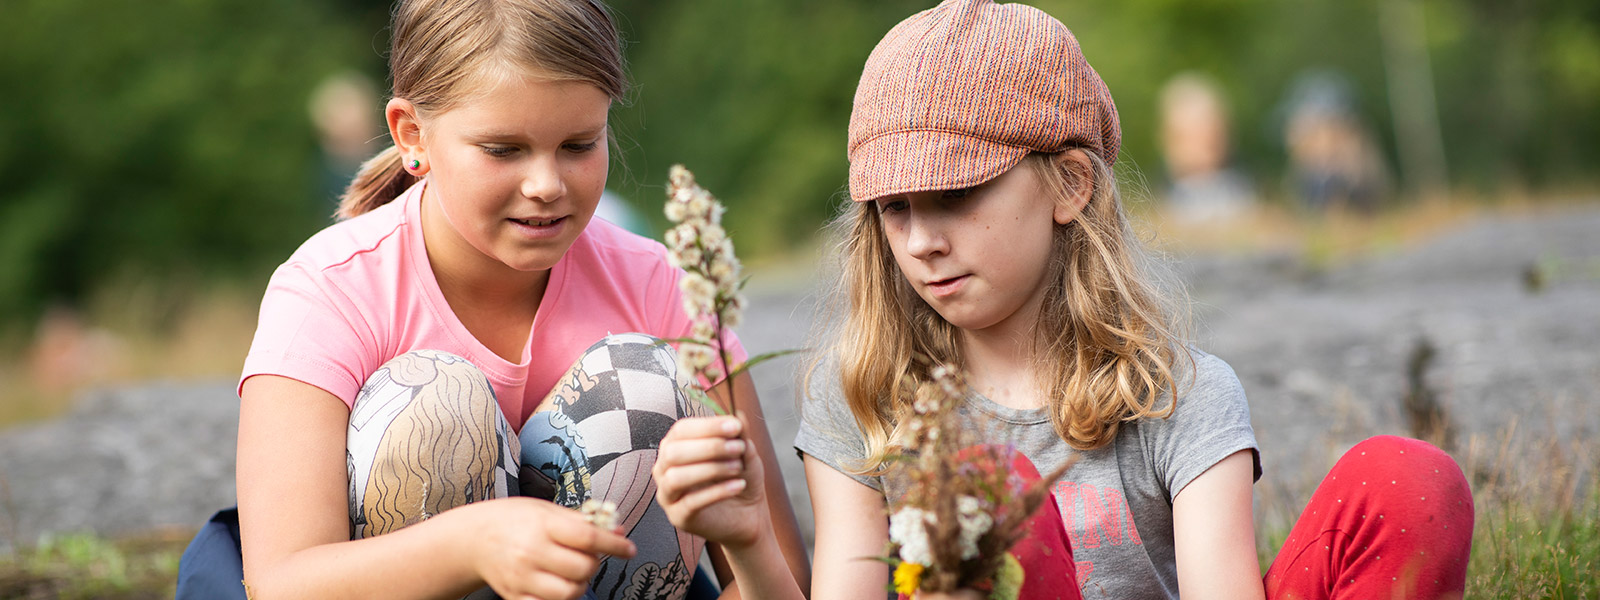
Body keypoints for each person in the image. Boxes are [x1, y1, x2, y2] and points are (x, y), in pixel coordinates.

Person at [661, 0, 1475, 598]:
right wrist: (755, 542)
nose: (919, 241)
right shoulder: (864, 400)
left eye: (955, 195)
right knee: (988, 492)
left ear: (1069, 184)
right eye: (893, 208)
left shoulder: (1180, 394)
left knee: (1406, 481)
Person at [232, 1, 809, 598]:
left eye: (578, 145)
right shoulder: (330, 288)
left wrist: (747, 542)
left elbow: (782, 577)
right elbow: (280, 581)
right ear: (413, 136)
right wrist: (470, 543)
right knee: (433, 399)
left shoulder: (662, 285)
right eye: (504, 150)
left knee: (639, 381)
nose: (546, 186)